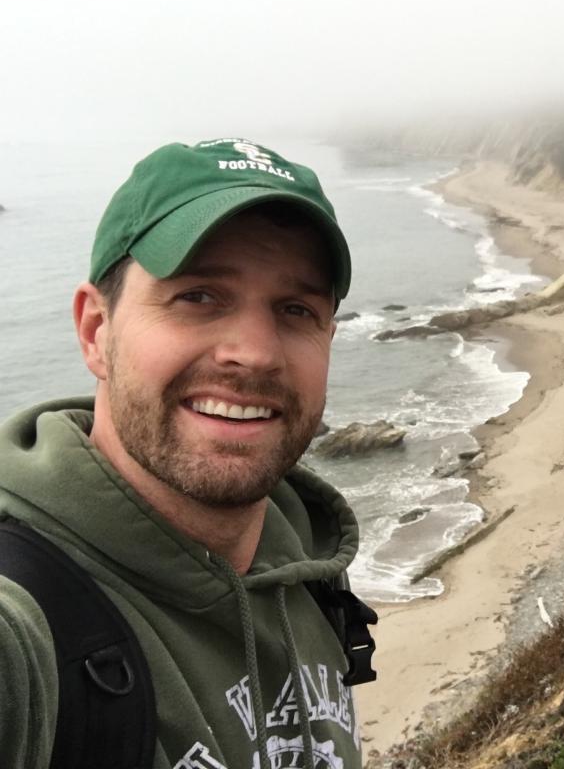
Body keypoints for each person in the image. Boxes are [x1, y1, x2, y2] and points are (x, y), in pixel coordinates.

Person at [0, 138, 374, 769]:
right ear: (96, 330)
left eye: (295, 309)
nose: (255, 352)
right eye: (198, 296)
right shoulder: (26, 628)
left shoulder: (310, 571)